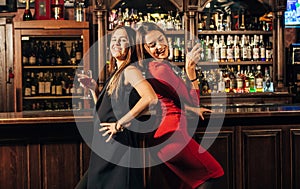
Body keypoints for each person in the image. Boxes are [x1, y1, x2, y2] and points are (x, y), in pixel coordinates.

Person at [136, 22, 224, 189]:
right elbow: (191, 101)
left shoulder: (149, 68)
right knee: (214, 173)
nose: (159, 46)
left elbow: (170, 99)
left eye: (161, 40)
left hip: (161, 140)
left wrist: (191, 108)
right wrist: (190, 69)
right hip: (174, 135)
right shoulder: (160, 69)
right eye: (152, 45)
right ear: (144, 49)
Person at [75, 25, 158, 189]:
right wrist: (94, 89)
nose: (116, 43)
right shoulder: (116, 72)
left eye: (122, 40)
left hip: (118, 146)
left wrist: (119, 124)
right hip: (106, 146)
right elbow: (111, 107)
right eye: (114, 39)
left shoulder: (130, 70)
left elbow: (151, 98)